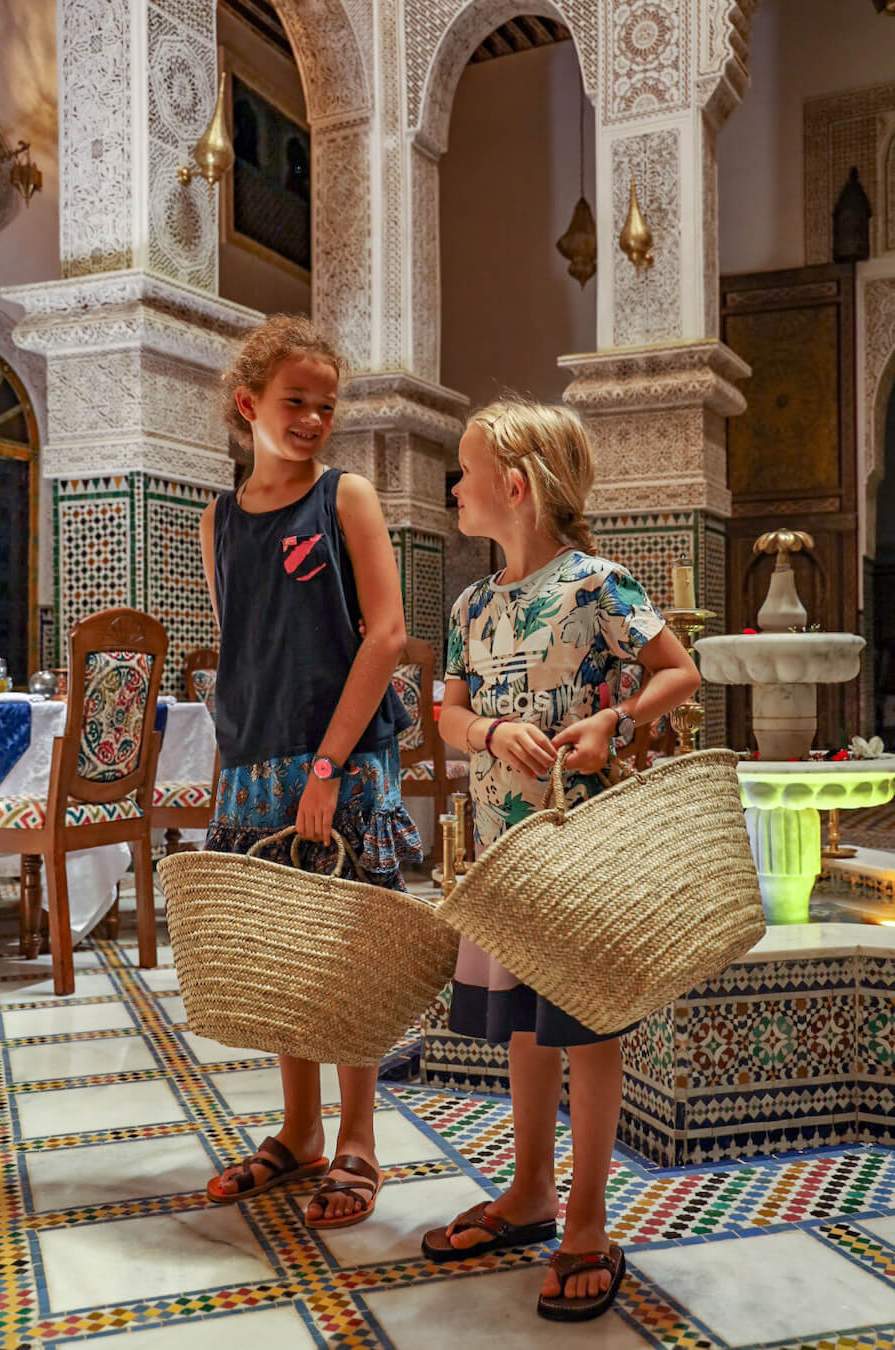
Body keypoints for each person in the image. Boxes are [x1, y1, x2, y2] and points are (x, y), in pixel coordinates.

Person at [422, 399, 700, 1321]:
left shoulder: (598, 586)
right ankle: (531, 1192)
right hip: (506, 857)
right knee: (528, 1028)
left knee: (584, 1026)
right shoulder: (471, 603)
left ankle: (586, 1219)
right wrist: (492, 730)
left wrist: (614, 721)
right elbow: (447, 715)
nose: (452, 487)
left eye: (462, 473)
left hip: (578, 849)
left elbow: (679, 672)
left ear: (514, 487)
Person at [199, 315, 421, 1227]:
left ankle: (358, 1135)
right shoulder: (218, 521)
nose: (314, 419)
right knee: (284, 955)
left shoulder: (346, 497)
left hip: (345, 758)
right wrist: (237, 765)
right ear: (249, 404)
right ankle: (297, 1132)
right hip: (255, 763)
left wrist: (328, 764)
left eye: (326, 406)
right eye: (296, 402)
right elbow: (237, 647)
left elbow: (389, 635)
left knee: (348, 951)